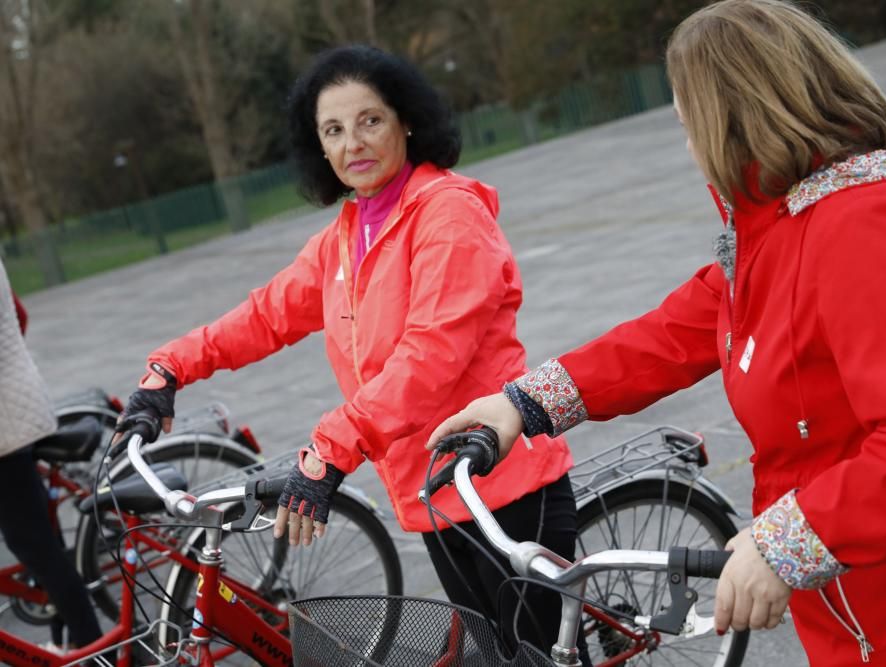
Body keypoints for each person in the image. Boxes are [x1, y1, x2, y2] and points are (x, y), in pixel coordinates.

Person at [429, 0, 886, 664]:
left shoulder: (867, 227)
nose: (692, 147)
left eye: (689, 126)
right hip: (859, 602)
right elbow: (678, 330)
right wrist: (523, 403)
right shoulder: (785, 222)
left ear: (735, 116)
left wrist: (783, 541)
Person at [114, 45, 585, 660]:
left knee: (534, 655)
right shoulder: (347, 233)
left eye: (370, 121)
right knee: (497, 651)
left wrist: (332, 448)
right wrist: (170, 367)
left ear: (405, 120)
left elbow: (430, 354)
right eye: (332, 130)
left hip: (502, 484)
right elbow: (265, 315)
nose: (352, 143)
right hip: (434, 496)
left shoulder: (447, 214)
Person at [0, 259, 103, 651]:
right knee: (42, 539)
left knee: (34, 546)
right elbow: (19, 315)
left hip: (6, 426)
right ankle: (72, 642)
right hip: (16, 406)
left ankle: (92, 648)